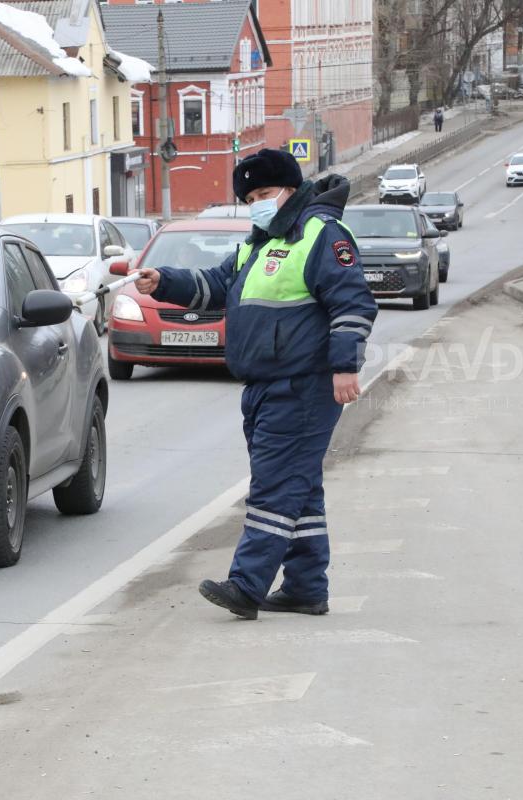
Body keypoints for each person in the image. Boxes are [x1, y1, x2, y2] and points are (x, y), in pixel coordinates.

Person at [132, 149, 378, 619]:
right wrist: (162, 280)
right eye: (250, 198)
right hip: (264, 385)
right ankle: (306, 588)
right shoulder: (258, 243)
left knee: (273, 487)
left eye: (265, 194)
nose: (257, 204)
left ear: (290, 189)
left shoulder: (322, 236)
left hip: (303, 385)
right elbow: (215, 285)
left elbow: (353, 304)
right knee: (298, 489)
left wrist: (346, 365)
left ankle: (246, 586)